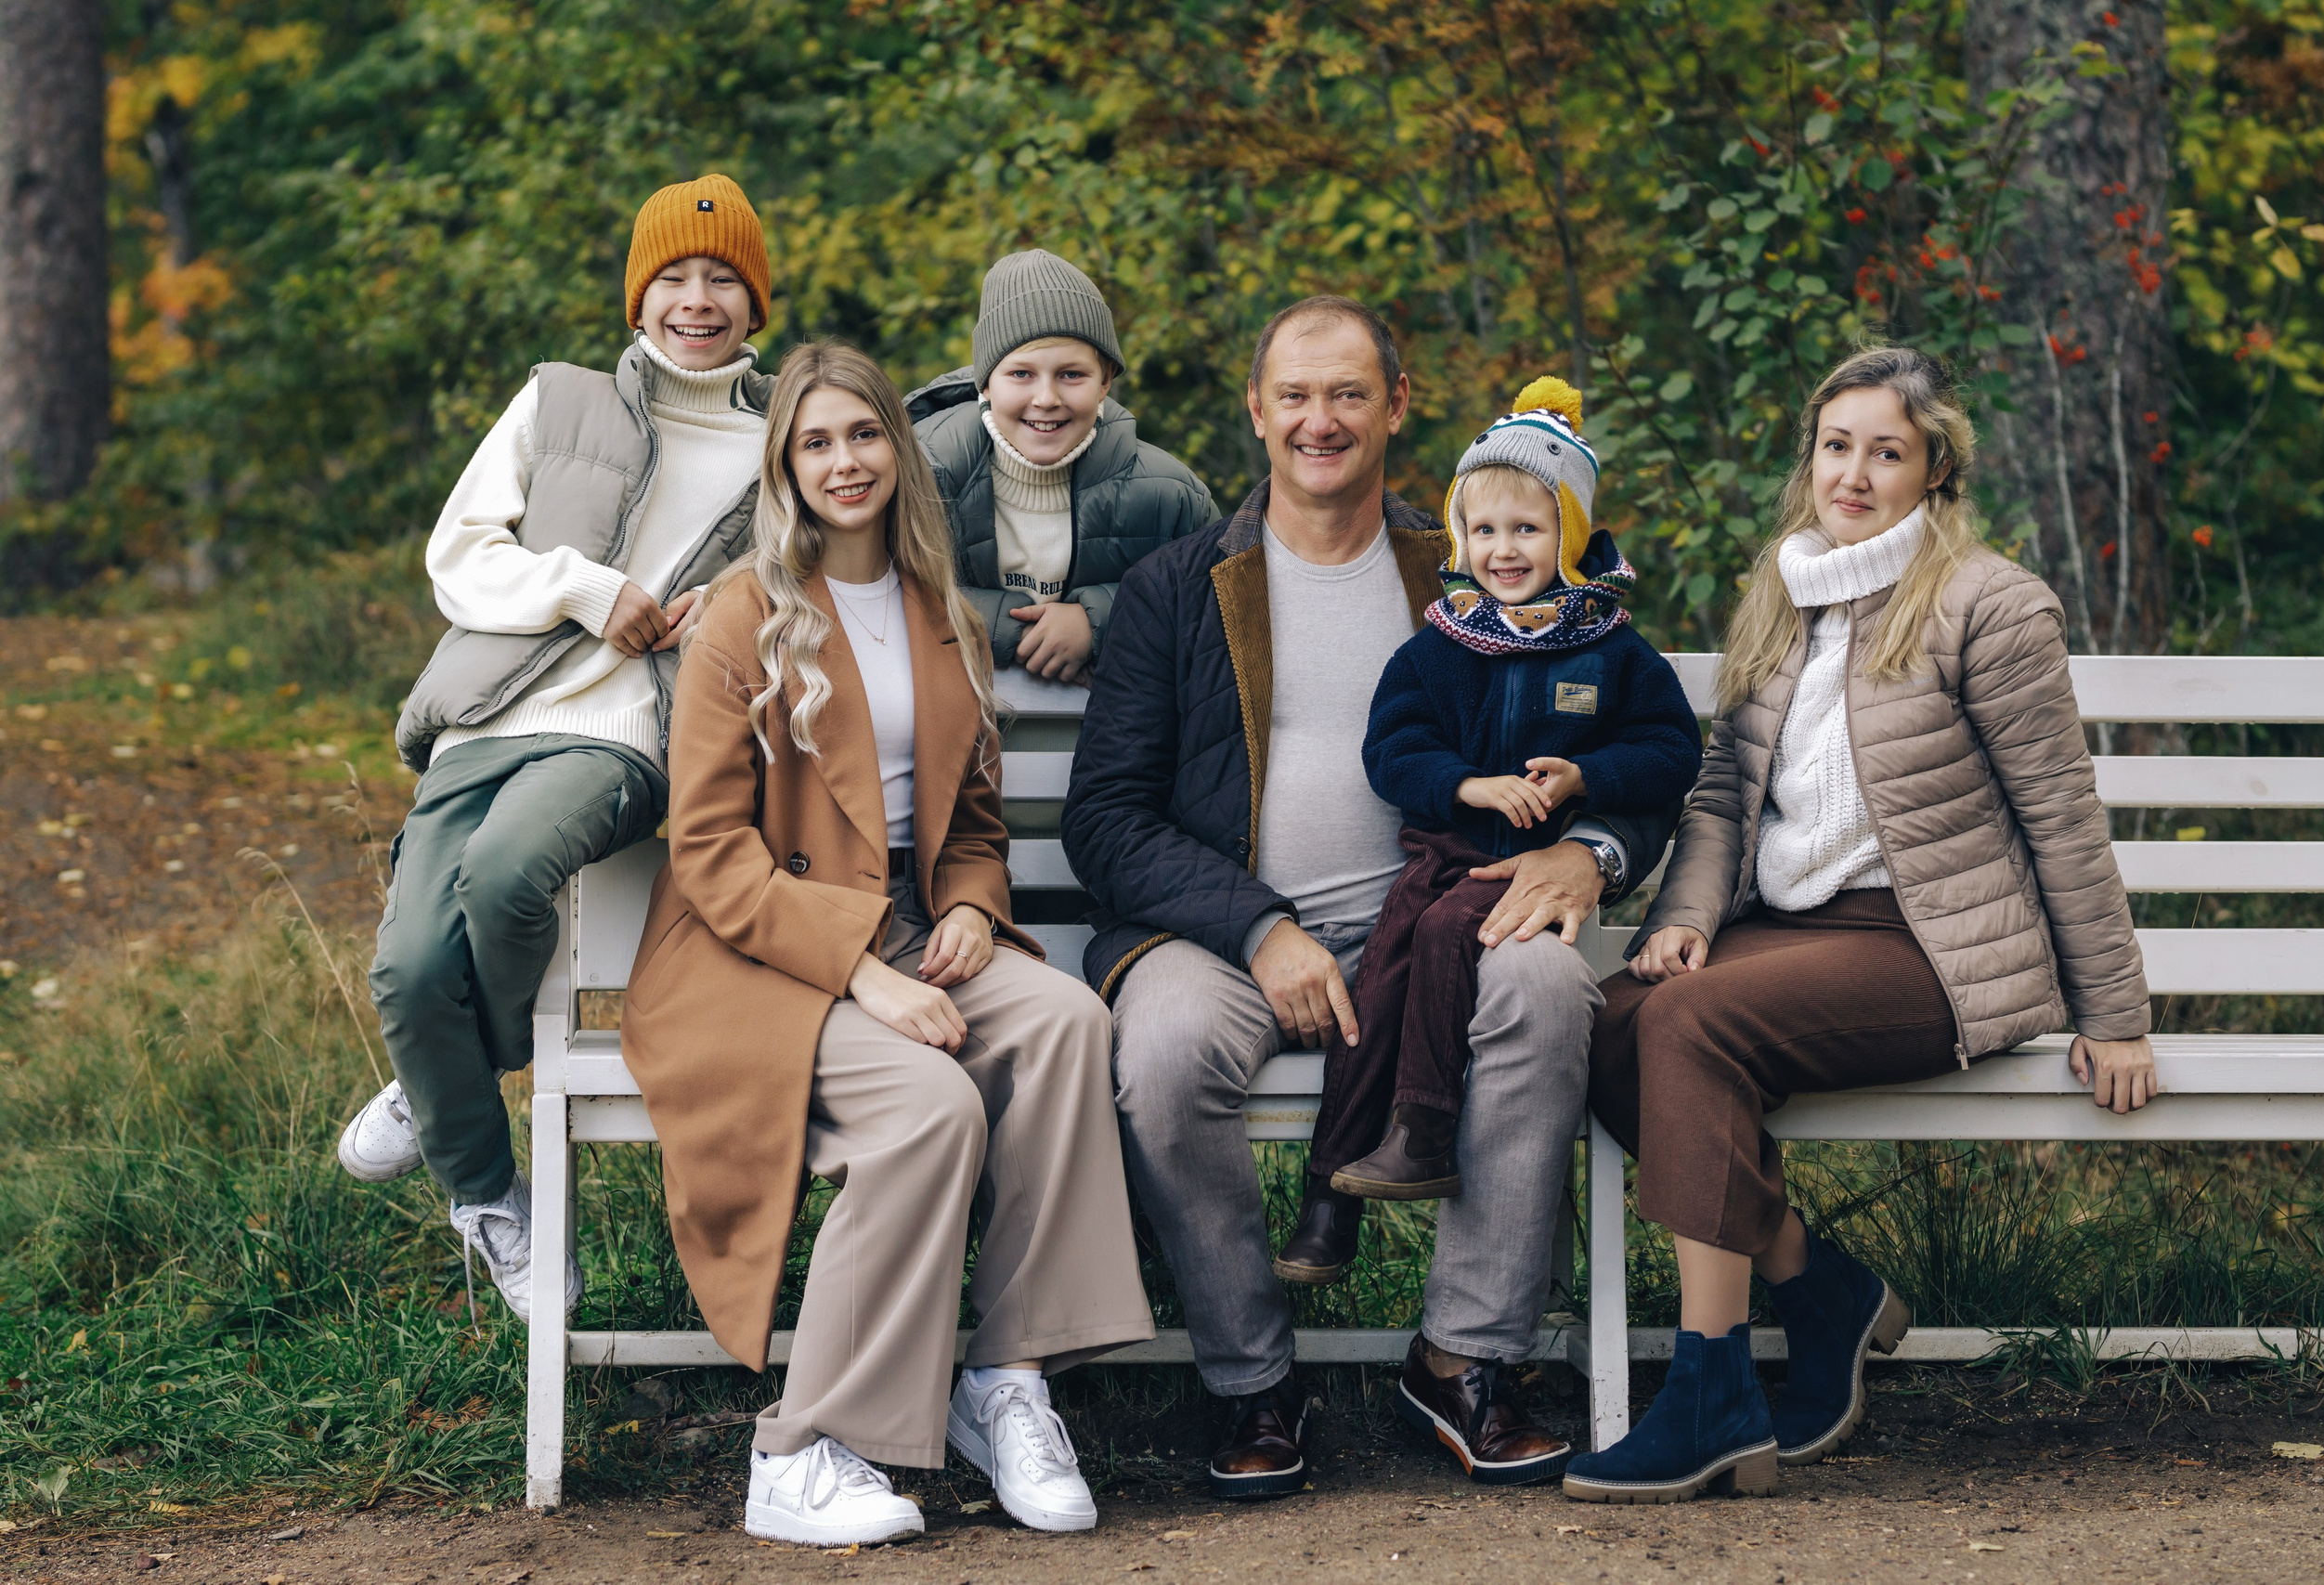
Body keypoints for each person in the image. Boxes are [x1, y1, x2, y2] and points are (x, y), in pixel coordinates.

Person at [1064, 297, 1680, 1496]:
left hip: (1444, 912)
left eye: (1348, 393)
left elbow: (1637, 743)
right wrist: (1260, 927)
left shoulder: (1486, 560)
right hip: (1222, 934)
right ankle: (1251, 1379)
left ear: (1396, 406)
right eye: (1295, 395)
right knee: (1169, 1048)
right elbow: (1106, 817)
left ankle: (1463, 1358)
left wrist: (1594, 853)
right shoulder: (1178, 586)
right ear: (1256, 411)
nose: (1321, 420)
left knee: (1547, 987)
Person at [1565, 346, 2159, 1505]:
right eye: (1836, 446)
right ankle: (1817, 1288)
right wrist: (1684, 920)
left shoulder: (1989, 604)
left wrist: (2115, 1014)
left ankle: (1710, 1392)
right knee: (1615, 1019)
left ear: (1933, 469)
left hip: (1926, 948)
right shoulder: (1784, 590)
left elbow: (2060, 813)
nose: (1853, 473)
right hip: (1786, 933)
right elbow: (1723, 796)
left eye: (1886, 452)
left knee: (1686, 1029)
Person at [620, 340, 1153, 1546]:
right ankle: (800, 1446)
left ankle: (1005, 1379)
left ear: (899, 452)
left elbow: (970, 822)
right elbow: (707, 850)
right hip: (758, 957)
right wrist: (861, 971)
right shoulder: (744, 618)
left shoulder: (940, 610)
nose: (844, 461)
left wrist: (969, 906)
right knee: (929, 1105)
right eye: (815, 442)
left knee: (1068, 1022)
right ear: (785, 468)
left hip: (914, 933)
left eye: (864, 434)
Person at [343, 175, 776, 1321]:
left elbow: (811, 578)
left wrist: (735, 602)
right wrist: (585, 589)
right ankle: (488, 1194)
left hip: (627, 734)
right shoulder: (558, 399)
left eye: (723, 279)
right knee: (408, 968)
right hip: (488, 717)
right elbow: (459, 553)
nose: (697, 300)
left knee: (507, 868)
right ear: (639, 298)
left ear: (755, 301)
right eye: (673, 278)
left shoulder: (786, 436)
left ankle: (443, 1075)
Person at [1279, 377, 1701, 1266]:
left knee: (1445, 933)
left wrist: (1587, 774)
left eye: (1528, 529)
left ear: (1570, 536)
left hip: (1534, 868)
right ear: (1460, 537)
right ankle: (1331, 1191)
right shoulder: (1441, 646)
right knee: (1376, 984)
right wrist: (1466, 785)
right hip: (1447, 849)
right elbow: (1392, 750)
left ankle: (1423, 1132)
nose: (1503, 550)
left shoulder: (1610, 650)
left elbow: (1670, 750)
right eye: (1483, 531)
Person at [905, 249, 1214, 685]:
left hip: (1112, 726)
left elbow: (1213, 607)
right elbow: (876, 592)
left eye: (1071, 375)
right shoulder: (919, 477)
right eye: (1021, 374)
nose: (1047, 399)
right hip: (953, 721)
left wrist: (1099, 620)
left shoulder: (1171, 494)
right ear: (985, 382)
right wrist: (1013, 629)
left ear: (1105, 380)